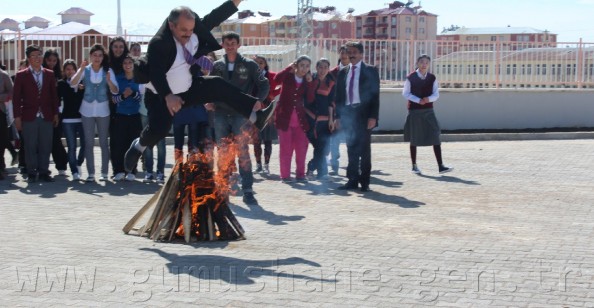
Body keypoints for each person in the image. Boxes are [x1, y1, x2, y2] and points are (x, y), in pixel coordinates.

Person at [124, 1, 274, 174]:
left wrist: (234, 2)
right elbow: (156, 72)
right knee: (160, 129)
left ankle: (256, 116)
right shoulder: (159, 43)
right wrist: (168, 96)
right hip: (160, 94)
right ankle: (138, 146)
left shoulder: (194, 30)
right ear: (172, 25)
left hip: (188, 89)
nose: (188, 34)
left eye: (191, 30)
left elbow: (214, 17)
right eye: (183, 31)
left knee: (217, 84)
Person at [210, 31, 269, 205]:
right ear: (222, 45)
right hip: (220, 114)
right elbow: (209, 86)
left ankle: (248, 191)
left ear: (238, 45)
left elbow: (264, 84)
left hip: (240, 116)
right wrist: (209, 101)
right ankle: (222, 189)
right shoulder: (217, 66)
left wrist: (259, 101)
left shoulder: (250, 65)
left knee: (242, 152)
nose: (230, 46)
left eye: (233, 43)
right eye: (227, 43)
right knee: (223, 152)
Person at [335, 41, 380, 192]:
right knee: (351, 148)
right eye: (349, 52)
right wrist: (337, 117)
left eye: (354, 52)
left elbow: (375, 96)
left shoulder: (371, 71)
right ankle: (352, 180)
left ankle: (365, 182)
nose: (351, 54)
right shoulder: (342, 72)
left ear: (361, 54)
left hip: (364, 114)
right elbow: (339, 96)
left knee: (364, 150)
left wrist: (373, 117)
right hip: (348, 114)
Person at [70, 44, 119, 182]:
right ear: (90, 56)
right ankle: (91, 173)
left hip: (103, 109)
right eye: (95, 55)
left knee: (104, 142)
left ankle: (104, 172)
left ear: (103, 57)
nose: (97, 58)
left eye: (100, 55)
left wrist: (109, 82)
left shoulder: (108, 71)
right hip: (87, 109)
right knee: (88, 142)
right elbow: (73, 84)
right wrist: (80, 70)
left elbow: (115, 91)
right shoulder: (85, 70)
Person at [13, 45, 60, 183]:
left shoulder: (49, 74)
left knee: (46, 144)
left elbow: (54, 96)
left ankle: (44, 171)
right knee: (30, 145)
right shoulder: (21, 75)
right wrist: (17, 117)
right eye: (34, 56)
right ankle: (32, 172)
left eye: (39, 55)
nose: (37, 58)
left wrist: (55, 113)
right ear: (28, 58)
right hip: (29, 115)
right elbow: (16, 98)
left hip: (46, 115)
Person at [402, 54, 453, 175]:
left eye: (426, 62)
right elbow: (405, 93)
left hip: (428, 110)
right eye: (422, 62)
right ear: (417, 63)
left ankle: (441, 166)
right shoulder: (411, 77)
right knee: (414, 137)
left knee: (435, 133)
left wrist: (428, 99)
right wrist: (417, 100)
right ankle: (414, 165)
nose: (424, 64)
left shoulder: (432, 78)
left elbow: (436, 94)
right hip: (414, 110)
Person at [274, 55, 312, 183]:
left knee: (302, 148)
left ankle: (300, 174)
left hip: (301, 119)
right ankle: (285, 175)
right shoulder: (288, 76)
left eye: (307, 66)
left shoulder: (308, 80)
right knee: (285, 148)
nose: (304, 68)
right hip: (285, 118)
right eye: (302, 65)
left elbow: (311, 98)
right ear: (296, 65)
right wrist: (287, 68)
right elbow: (276, 79)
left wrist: (310, 82)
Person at [111, 55, 143, 181]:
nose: (128, 65)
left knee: (133, 144)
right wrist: (124, 96)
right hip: (121, 115)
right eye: (125, 63)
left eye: (130, 62)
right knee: (119, 144)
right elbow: (114, 99)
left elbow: (140, 98)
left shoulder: (139, 79)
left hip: (135, 115)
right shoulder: (118, 79)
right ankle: (119, 171)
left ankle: (132, 170)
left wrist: (133, 94)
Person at [305, 58, 335, 181]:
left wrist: (331, 119)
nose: (323, 70)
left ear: (329, 69)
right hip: (310, 119)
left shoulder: (331, 83)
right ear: (316, 68)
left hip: (325, 120)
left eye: (325, 67)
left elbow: (331, 102)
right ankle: (319, 173)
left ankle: (313, 169)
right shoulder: (309, 79)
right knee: (319, 147)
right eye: (320, 67)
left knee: (325, 148)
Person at [58, 59, 85, 181]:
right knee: (72, 146)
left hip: (82, 118)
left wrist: (81, 89)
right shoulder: (62, 83)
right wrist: (75, 88)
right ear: (64, 71)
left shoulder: (83, 83)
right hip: (68, 120)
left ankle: (79, 163)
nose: (70, 71)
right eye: (67, 69)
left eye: (72, 69)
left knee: (85, 145)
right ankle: (74, 171)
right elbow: (66, 95)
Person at [42, 49, 68, 176]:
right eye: (49, 60)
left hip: (57, 112)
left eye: (54, 60)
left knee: (56, 139)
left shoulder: (59, 76)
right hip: (43, 112)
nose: (51, 63)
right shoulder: (40, 74)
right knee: (43, 140)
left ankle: (62, 164)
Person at [252, 55, 280, 175]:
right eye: (256, 62)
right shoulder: (249, 76)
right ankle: (258, 164)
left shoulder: (272, 76)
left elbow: (281, 87)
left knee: (267, 139)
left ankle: (266, 165)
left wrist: (272, 95)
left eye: (261, 62)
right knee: (256, 139)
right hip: (254, 110)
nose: (259, 65)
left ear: (265, 64)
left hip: (268, 110)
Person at [327, 45, 350, 175]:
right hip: (336, 111)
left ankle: (353, 165)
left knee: (351, 140)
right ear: (339, 54)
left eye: (347, 53)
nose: (345, 55)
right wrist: (334, 115)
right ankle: (334, 166)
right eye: (343, 52)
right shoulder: (332, 73)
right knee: (334, 139)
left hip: (351, 111)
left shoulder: (355, 71)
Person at [0, 65, 13, 180]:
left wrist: (1, 97)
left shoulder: (3, 75)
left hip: (1, 112)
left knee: (2, 140)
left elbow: (12, 92)